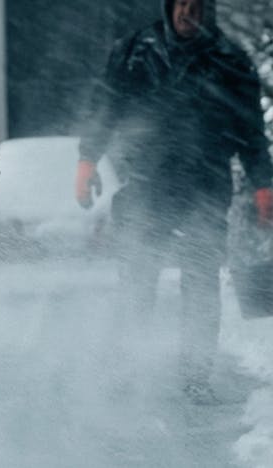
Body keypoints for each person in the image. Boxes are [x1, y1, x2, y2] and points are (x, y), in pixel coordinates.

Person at [75, 0, 273, 404]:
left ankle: (195, 377)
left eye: (196, 5)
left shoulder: (229, 59)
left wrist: (263, 184)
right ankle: (129, 370)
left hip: (206, 184)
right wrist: (87, 159)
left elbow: (250, 130)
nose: (188, 12)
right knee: (137, 279)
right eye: (180, 3)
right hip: (146, 183)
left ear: (208, 9)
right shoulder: (134, 52)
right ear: (168, 7)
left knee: (200, 283)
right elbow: (105, 106)